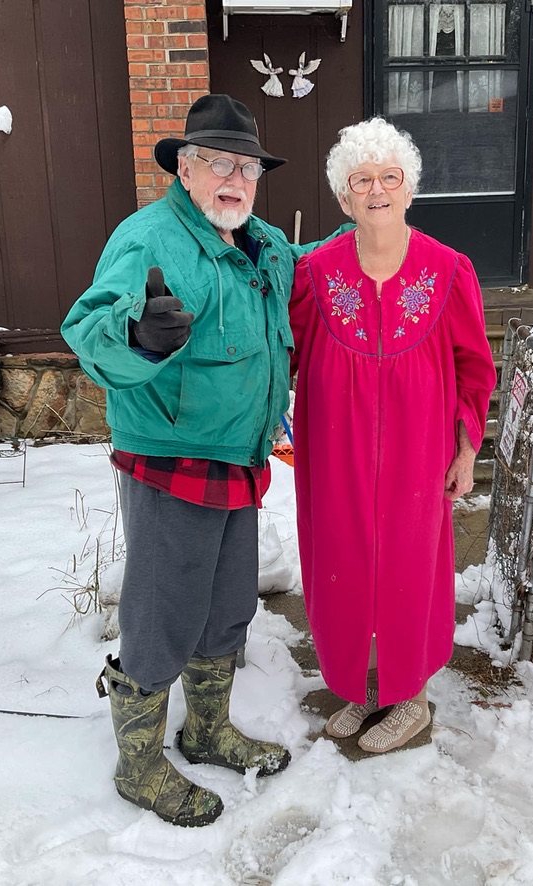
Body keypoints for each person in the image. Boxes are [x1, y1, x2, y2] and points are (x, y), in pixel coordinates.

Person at [62, 94, 344, 827]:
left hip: (239, 456)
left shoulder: (261, 242)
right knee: (164, 614)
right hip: (172, 458)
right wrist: (139, 336)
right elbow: (89, 328)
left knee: (225, 608)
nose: (235, 179)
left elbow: (308, 266)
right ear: (184, 170)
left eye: (247, 167)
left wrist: (369, 234)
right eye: (219, 163)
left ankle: (206, 729)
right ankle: (138, 766)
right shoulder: (148, 240)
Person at [289, 118, 497, 754]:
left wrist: (466, 449)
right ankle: (360, 686)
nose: (376, 189)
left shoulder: (448, 271)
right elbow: (285, 351)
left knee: (411, 567)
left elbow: (474, 367)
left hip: (418, 452)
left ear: (409, 189)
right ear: (343, 197)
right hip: (335, 451)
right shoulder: (315, 274)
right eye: (361, 180)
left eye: (389, 177)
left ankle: (411, 696)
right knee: (341, 565)